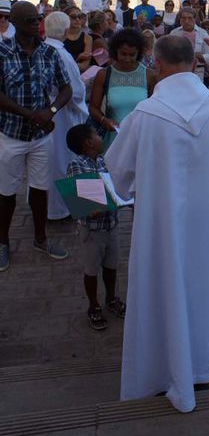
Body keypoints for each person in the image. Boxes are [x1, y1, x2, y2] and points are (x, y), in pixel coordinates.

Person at [105, 28, 209, 411]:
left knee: (169, 284)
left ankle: (168, 363)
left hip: (164, 225)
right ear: (195, 63)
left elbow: (118, 175)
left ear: (155, 65)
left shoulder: (144, 115)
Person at [0, 2, 72, 271]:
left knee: (41, 189)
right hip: (12, 135)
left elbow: (65, 88)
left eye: (38, 19)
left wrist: (50, 110)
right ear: (15, 22)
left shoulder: (49, 53)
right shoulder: (2, 52)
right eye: (31, 20)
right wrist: (30, 114)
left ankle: (41, 238)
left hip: (41, 136)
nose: (36, 24)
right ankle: (3, 242)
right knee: (7, 192)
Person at [66, 124, 125, 331]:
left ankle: (111, 298)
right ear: (89, 143)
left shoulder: (103, 161)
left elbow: (112, 187)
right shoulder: (77, 165)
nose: (101, 138)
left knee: (111, 265)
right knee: (91, 270)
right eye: (97, 135)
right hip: (92, 230)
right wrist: (108, 200)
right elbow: (85, 203)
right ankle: (94, 305)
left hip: (111, 225)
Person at [44, 12, 88, 220]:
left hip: (46, 112)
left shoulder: (43, 48)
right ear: (64, 30)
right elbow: (75, 91)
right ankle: (66, 208)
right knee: (67, 160)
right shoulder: (62, 54)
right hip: (63, 114)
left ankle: (50, 208)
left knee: (50, 161)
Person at [89, 28, 157, 150]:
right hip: (113, 139)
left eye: (132, 55)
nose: (127, 58)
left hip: (141, 139)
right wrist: (104, 120)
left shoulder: (149, 75)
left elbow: (155, 110)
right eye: (123, 54)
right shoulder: (104, 74)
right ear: (115, 52)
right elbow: (93, 108)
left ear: (139, 53)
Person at [172, 7, 209, 79]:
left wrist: (201, 56)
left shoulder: (203, 33)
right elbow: (168, 55)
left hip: (198, 73)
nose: (186, 21)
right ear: (180, 20)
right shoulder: (174, 34)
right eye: (183, 18)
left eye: (190, 18)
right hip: (178, 73)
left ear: (195, 19)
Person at [63, 7, 93, 73]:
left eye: (80, 17)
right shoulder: (60, 36)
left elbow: (84, 66)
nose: (77, 19)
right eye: (73, 17)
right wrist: (78, 57)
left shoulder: (87, 38)